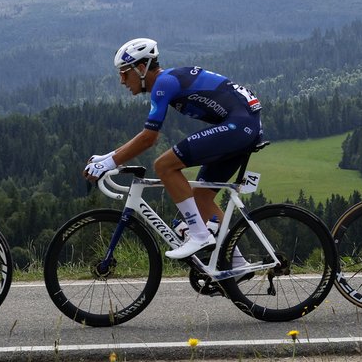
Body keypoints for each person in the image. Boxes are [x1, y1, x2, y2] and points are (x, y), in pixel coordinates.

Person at [84, 38, 264, 273]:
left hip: (240, 126)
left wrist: (109, 163)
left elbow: (149, 138)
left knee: (165, 165)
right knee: (201, 197)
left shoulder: (163, 83)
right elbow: (145, 136)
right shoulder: (168, 81)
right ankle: (238, 265)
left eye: (124, 73)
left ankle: (199, 235)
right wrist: (106, 157)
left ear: (141, 68)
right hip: (242, 125)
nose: (121, 81)